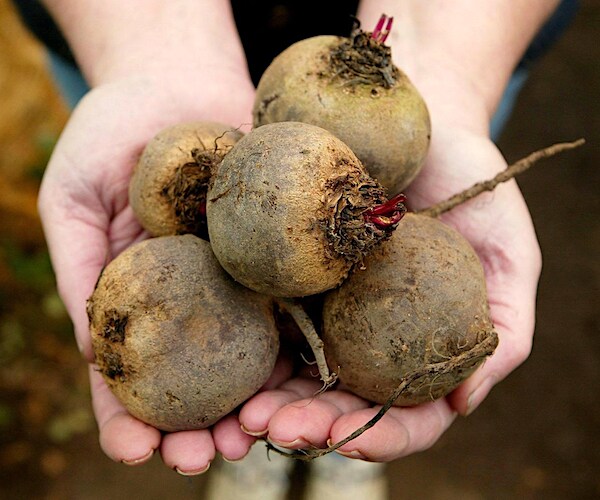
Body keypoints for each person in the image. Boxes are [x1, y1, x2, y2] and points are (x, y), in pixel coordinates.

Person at [17, 0, 577, 488]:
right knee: (261, 413)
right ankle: (275, 445)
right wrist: (146, 47)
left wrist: (447, 69)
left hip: (461, 36)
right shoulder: (269, 175)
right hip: (120, 25)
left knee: (318, 420)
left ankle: (336, 451)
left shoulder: (359, 162)